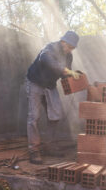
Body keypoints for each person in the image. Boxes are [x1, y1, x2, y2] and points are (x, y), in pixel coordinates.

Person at [24, 31, 80, 164]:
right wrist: (66, 71)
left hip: (49, 85)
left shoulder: (68, 56)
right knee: (34, 117)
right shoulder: (49, 48)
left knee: (56, 114)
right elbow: (46, 60)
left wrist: (74, 77)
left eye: (73, 48)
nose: (70, 50)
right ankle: (34, 149)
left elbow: (65, 73)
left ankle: (49, 145)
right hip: (35, 82)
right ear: (63, 42)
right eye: (70, 47)